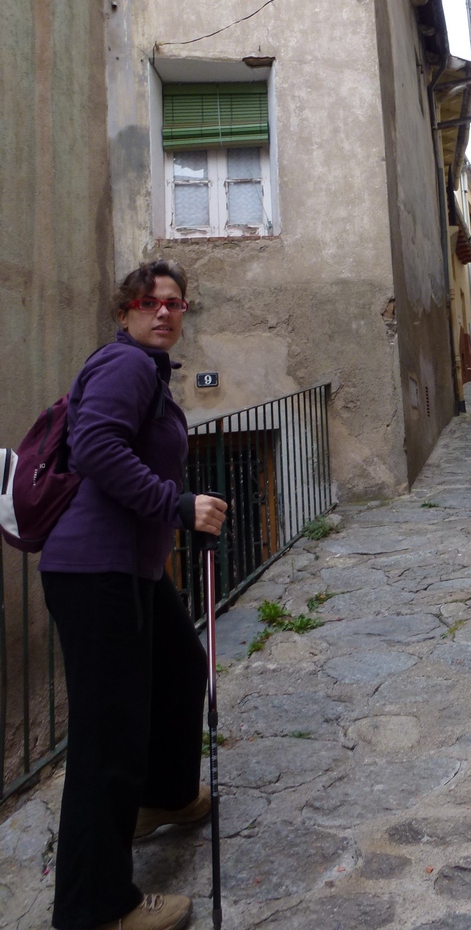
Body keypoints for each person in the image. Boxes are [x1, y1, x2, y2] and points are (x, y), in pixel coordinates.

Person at [39, 261, 228, 930]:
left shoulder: (149, 371)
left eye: (175, 303)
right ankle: (95, 908)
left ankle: (165, 796)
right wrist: (176, 506)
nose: (164, 312)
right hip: (95, 572)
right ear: (125, 312)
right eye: (149, 302)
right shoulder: (125, 365)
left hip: (130, 570)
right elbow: (94, 447)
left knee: (179, 669)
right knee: (108, 736)